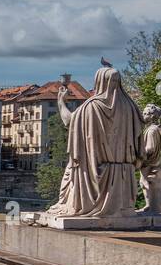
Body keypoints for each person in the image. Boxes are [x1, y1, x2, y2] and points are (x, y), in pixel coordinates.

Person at [43, 64, 144, 219]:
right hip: (124, 173)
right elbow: (139, 140)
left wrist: (61, 102)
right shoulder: (131, 107)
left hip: (94, 171)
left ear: (98, 82)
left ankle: (87, 206)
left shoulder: (91, 107)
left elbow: (69, 121)